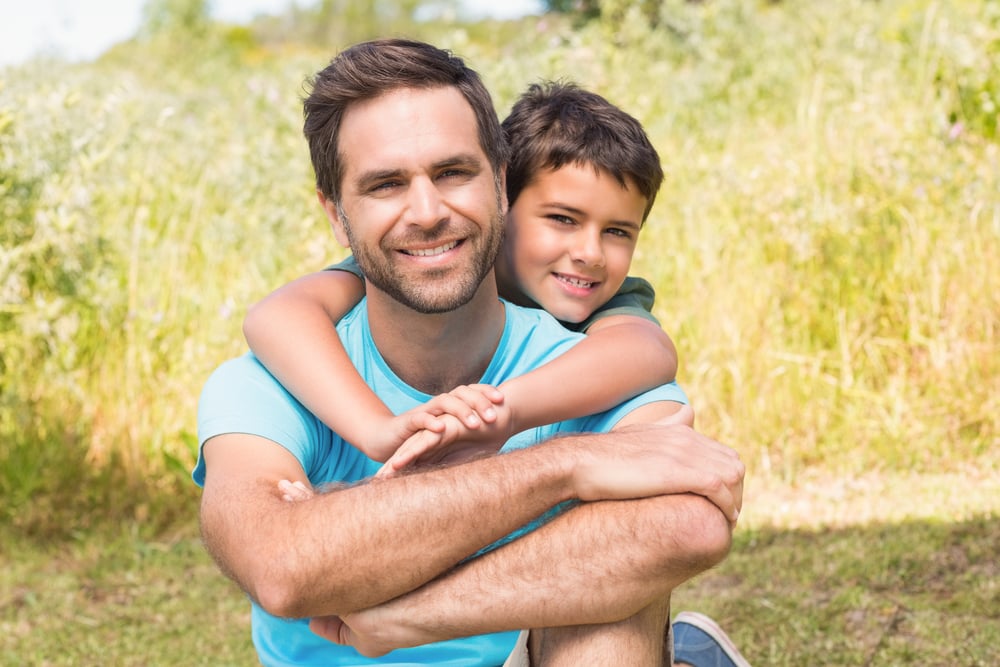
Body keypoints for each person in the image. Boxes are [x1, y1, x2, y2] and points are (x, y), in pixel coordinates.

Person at [194, 38, 745, 667]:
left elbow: (690, 524)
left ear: (502, 185)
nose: (427, 212)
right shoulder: (278, 378)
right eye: (385, 184)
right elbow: (281, 567)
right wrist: (570, 467)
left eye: (453, 173)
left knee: (618, 607)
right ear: (338, 218)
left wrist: (395, 607)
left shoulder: (582, 358)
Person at [243, 80, 680, 473]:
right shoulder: (433, 262)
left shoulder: (605, 298)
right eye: (563, 219)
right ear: (500, 199)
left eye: (618, 231)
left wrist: (498, 414)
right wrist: (377, 431)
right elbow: (275, 316)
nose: (590, 254)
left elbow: (647, 350)